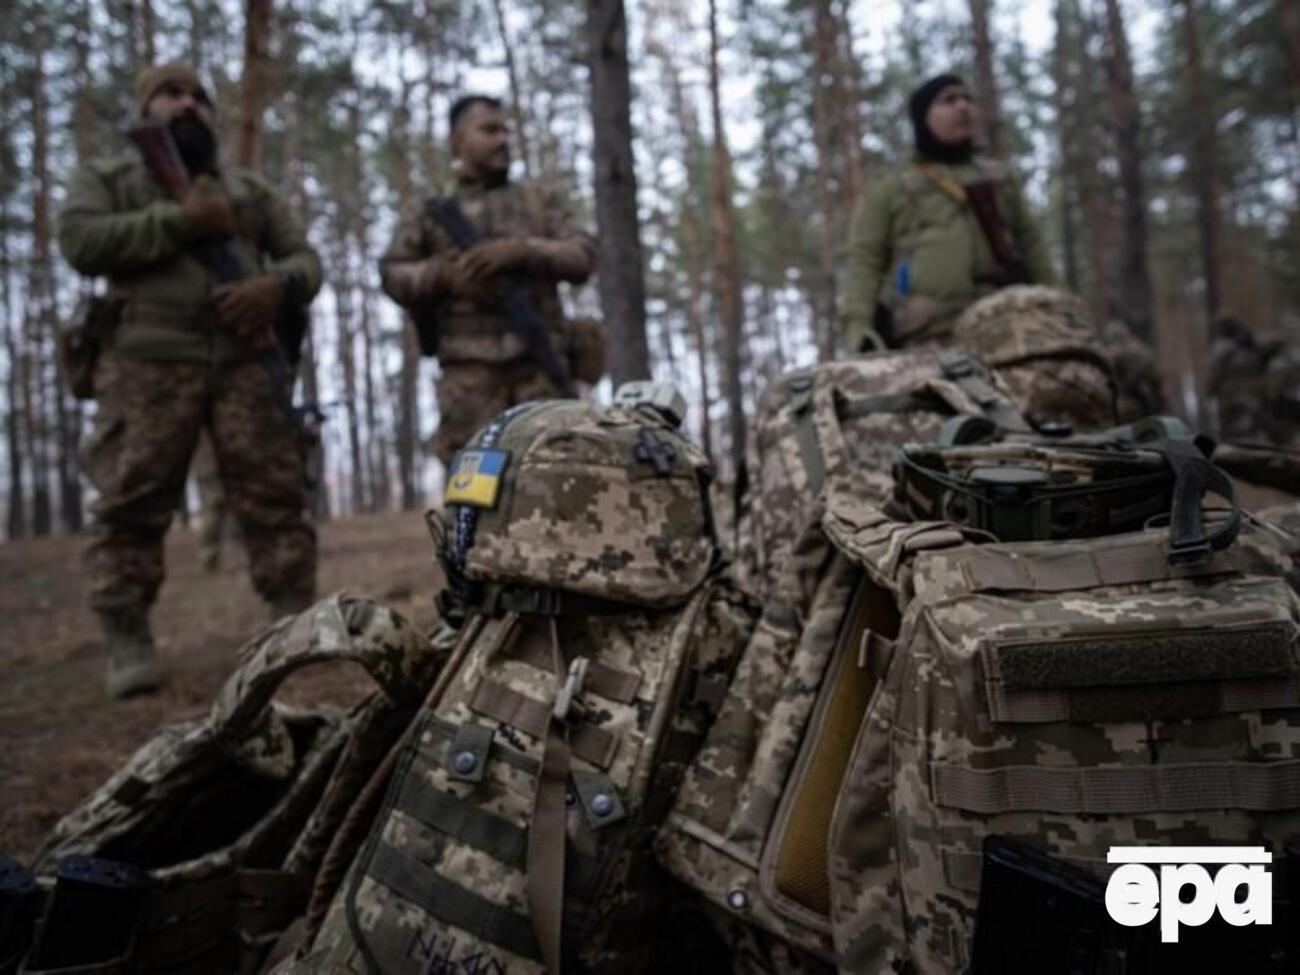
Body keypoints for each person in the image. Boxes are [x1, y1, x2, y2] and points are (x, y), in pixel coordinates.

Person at [58, 63, 322, 698]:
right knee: (131, 499)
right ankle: (127, 638)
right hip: (147, 361)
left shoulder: (249, 191)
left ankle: (291, 625)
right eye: (171, 94)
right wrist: (180, 223)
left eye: (200, 98)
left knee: (274, 494)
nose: (189, 105)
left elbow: (305, 259)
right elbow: (79, 241)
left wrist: (273, 286)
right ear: (145, 110)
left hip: (244, 363)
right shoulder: (112, 179)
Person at [379, 94, 597, 465]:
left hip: (540, 371)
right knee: (475, 502)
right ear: (458, 139)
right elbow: (393, 273)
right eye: (489, 130)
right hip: (468, 383)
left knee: (556, 489)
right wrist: (446, 276)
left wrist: (524, 251)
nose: (502, 140)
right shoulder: (431, 213)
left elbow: (582, 255)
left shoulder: (538, 201)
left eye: (506, 131)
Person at [840, 73, 1056, 353]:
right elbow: (864, 261)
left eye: (967, 99)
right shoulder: (891, 189)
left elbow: (1032, 246)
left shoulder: (1000, 180)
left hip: (1010, 329)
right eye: (948, 100)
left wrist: (1056, 303)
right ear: (923, 117)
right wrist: (858, 330)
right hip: (926, 337)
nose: (963, 107)